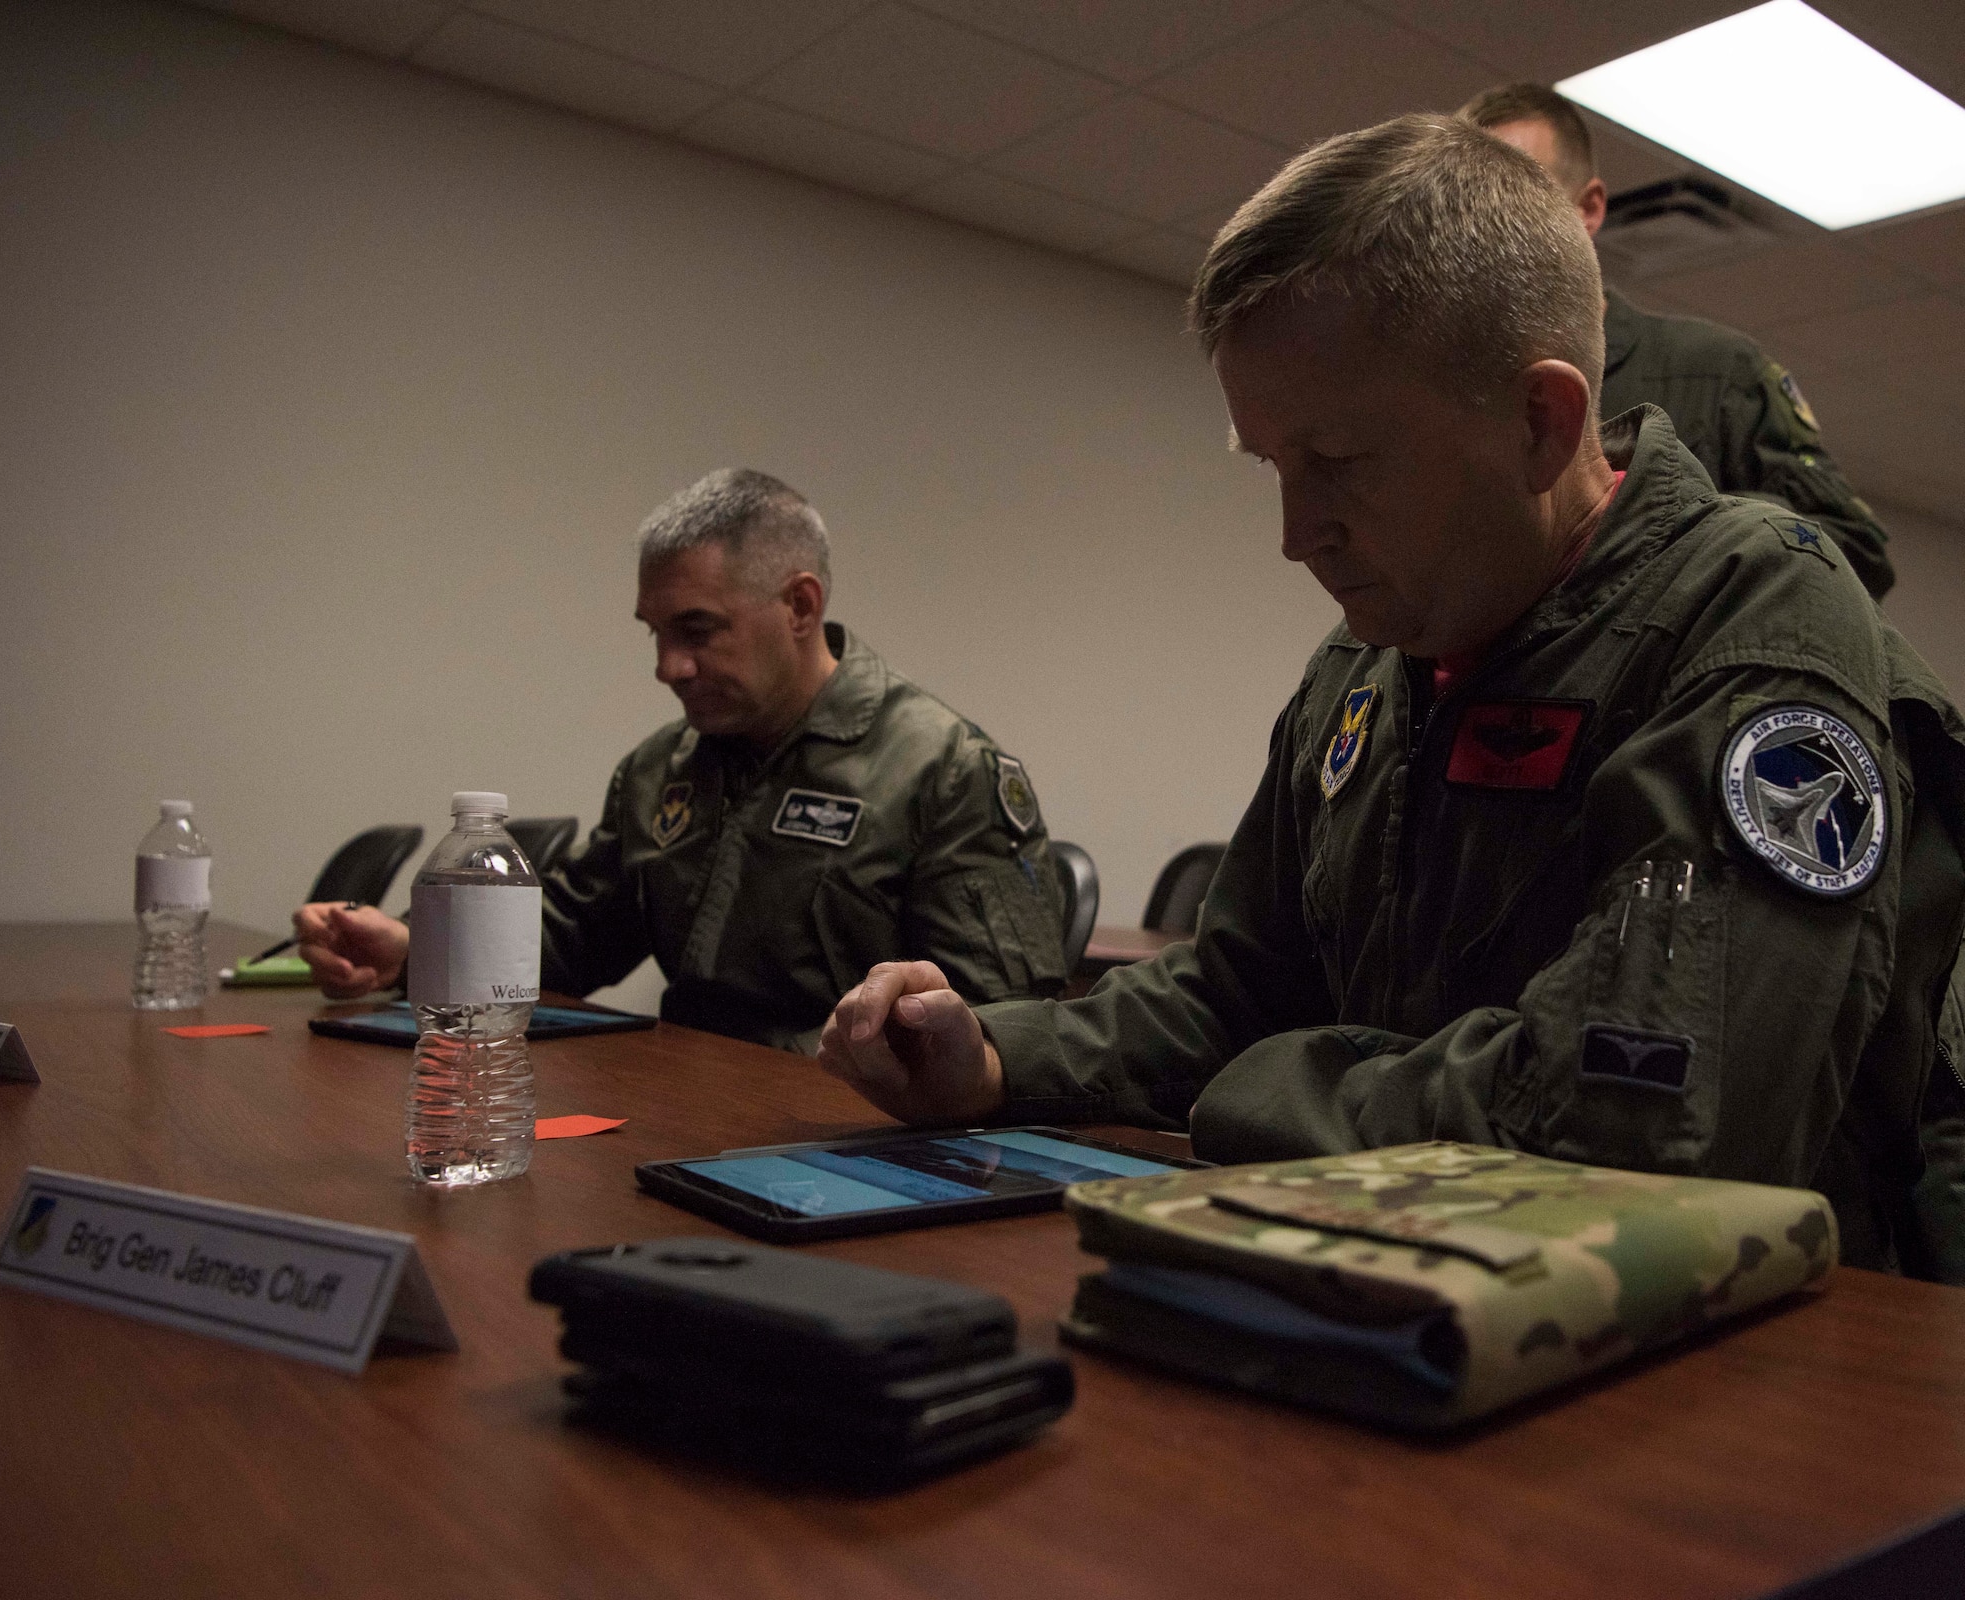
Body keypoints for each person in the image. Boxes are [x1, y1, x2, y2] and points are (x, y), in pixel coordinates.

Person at [818, 116, 1965, 1276]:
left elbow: (1642, 1128)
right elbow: (1243, 981)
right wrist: (999, 1058)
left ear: (1540, 423)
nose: (1292, 534)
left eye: (1339, 463)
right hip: (1376, 1276)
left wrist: (1269, 1079)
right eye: (1272, 467)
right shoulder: (1370, 659)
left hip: (1703, 1362)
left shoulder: (1751, 622)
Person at [295, 468, 1066, 1051]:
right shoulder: (661, 768)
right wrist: (415, 949)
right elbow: (577, 938)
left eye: (696, 631)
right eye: (656, 633)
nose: (669, 668)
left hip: (840, 1132)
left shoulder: (941, 769)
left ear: (800, 606)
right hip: (684, 1095)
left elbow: (1005, 1028)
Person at [1459, 82, 1895, 601]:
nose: (1491, 225)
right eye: (1467, 202)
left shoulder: (1715, 369)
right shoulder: (1458, 389)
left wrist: (1672, 542)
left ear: (1588, 208)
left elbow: (1855, 552)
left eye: (1521, 194)